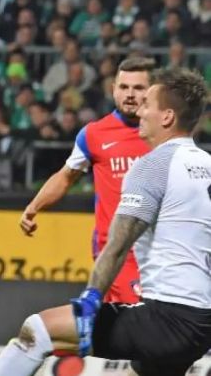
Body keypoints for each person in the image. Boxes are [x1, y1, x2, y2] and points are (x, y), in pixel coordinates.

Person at [0, 67, 211, 376]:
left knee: (37, 330)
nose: (140, 111)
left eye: (148, 103)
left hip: (167, 317)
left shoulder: (151, 165)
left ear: (168, 117)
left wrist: (91, 299)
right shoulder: (206, 164)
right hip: (201, 321)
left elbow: (118, 246)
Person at [20, 57, 155, 304]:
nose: (130, 95)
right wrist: (33, 207)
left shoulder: (164, 133)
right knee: (141, 320)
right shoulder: (94, 134)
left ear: (153, 91)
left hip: (161, 249)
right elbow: (66, 176)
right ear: (113, 88)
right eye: (124, 87)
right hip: (116, 252)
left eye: (138, 88)